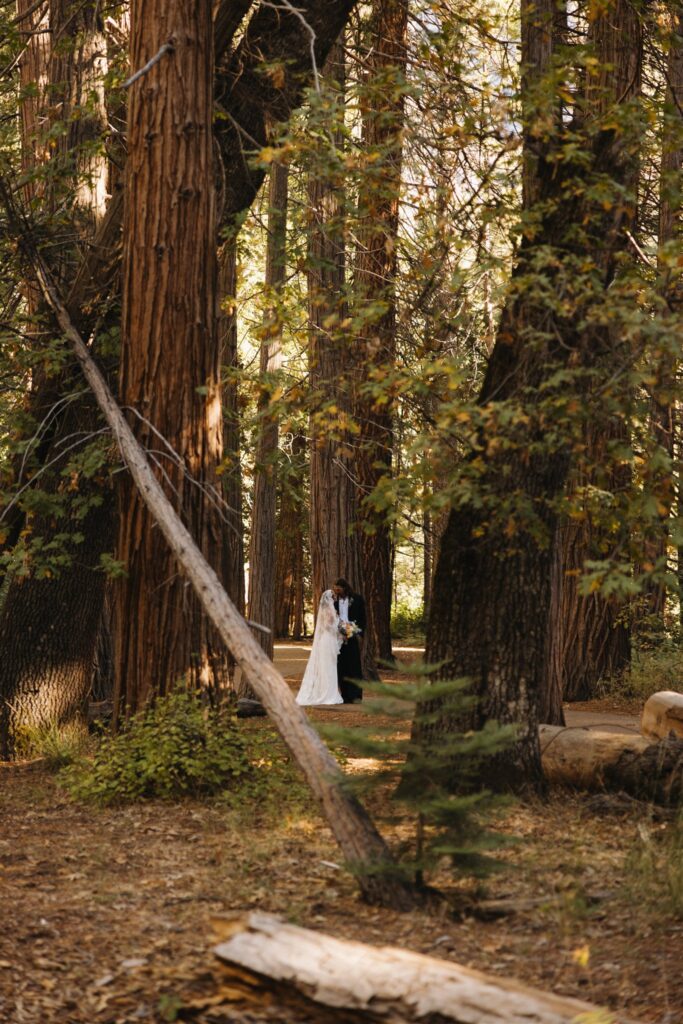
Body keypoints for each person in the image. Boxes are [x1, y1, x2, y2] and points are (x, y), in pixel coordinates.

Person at [295, 589, 343, 706]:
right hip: (328, 640)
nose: (334, 598)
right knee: (328, 666)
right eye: (332, 597)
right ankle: (327, 694)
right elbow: (327, 626)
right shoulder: (328, 610)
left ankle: (329, 691)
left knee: (330, 666)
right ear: (329, 599)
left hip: (327, 639)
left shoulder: (327, 609)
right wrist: (338, 627)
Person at [332, 578, 364, 703]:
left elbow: (362, 618)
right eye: (335, 589)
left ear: (344, 588)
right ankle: (345, 695)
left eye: (338, 589)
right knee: (341, 667)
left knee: (354, 666)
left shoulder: (357, 599)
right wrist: (339, 632)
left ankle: (356, 695)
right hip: (338, 639)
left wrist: (357, 633)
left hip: (353, 635)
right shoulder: (334, 603)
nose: (336, 591)